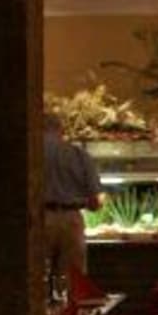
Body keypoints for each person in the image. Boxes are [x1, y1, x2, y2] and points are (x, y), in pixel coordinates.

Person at [42, 112, 104, 282]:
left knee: (39, 276)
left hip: (40, 219)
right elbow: (95, 201)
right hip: (71, 220)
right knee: (72, 278)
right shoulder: (78, 154)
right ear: (61, 130)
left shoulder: (30, 153)